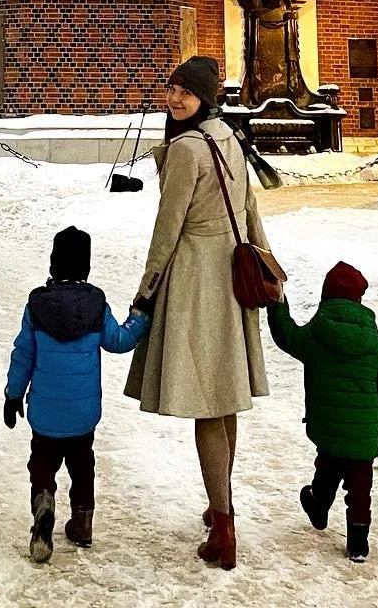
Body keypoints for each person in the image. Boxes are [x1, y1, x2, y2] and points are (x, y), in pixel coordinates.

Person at [125, 56, 269, 572]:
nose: (174, 98)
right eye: (171, 88)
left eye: (185, 92)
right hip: (231, 275)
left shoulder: (187, 149)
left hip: (198, 280)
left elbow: (168, 230)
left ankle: (224, 526)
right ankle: (219, 505)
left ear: (205, 97)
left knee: (210, 404)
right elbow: (251, 209)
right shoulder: (229, 137)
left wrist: (146, 291)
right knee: (225, 401)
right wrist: (265, 264)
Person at [3, 226, 148, 564]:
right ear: (86, 265)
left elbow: (23, 354)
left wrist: (12, 395)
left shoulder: (36, 304)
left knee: (42, 465)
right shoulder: (95, 303)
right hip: (83, 416)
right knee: (83, 467)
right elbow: (119, 341)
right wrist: (140, 316)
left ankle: (43, 509)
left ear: (53, 263)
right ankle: (82, 524)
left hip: (45, 415)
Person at [267, 260, 378, 566]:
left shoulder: (316, 335)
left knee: (327, 468)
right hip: (363, 434)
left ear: (326, 297)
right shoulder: (376, 346)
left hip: (327, 429)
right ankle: (358, 545)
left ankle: (318, 506)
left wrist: (277, 303)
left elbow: (286, 336)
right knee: (360, 488)